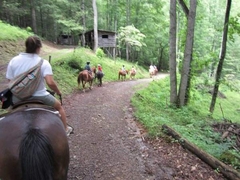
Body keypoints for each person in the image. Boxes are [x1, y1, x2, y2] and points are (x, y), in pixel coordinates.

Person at [6, 36, 73, 136]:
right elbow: (50, 83)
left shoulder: (13, 61)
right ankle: (66, 129)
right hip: (40, 96)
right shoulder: (43, 63)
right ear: (38, 48)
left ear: (26, 46)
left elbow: (10, 81)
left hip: (18, 97)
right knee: (59, 107)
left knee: (9, 114)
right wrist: (58, 91)